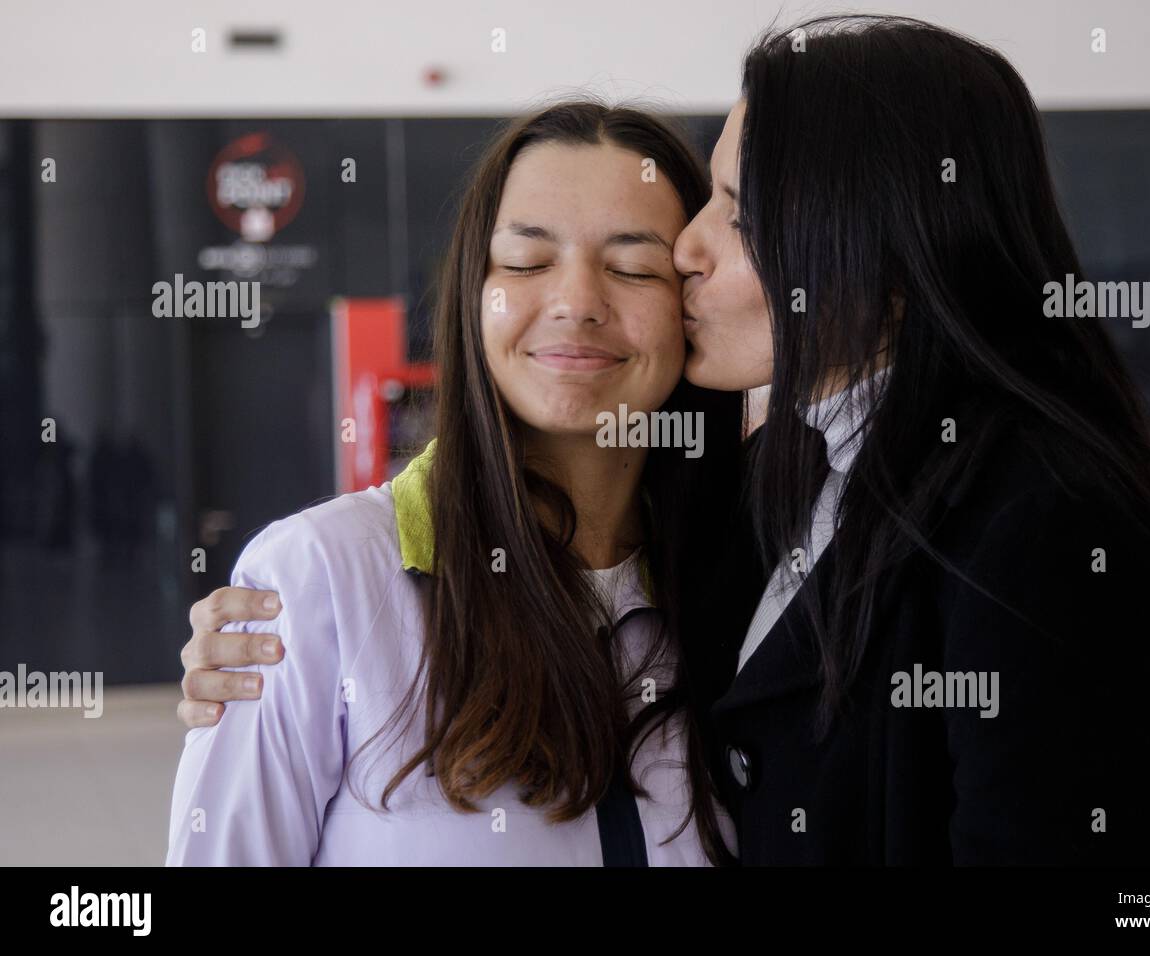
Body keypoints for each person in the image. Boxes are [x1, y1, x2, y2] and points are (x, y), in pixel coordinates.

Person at [180, 15, 1150, 866]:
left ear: (868, 234)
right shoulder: (324, 581)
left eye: (719, 217)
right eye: (526, 258)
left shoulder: (1022, 517)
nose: (687, 253)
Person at [166, 101, 741, 865]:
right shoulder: (320, 581)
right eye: (528, 262)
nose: (575, 303)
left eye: (634, 266)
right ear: (473, 295)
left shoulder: (752, 579)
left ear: (691, 306)